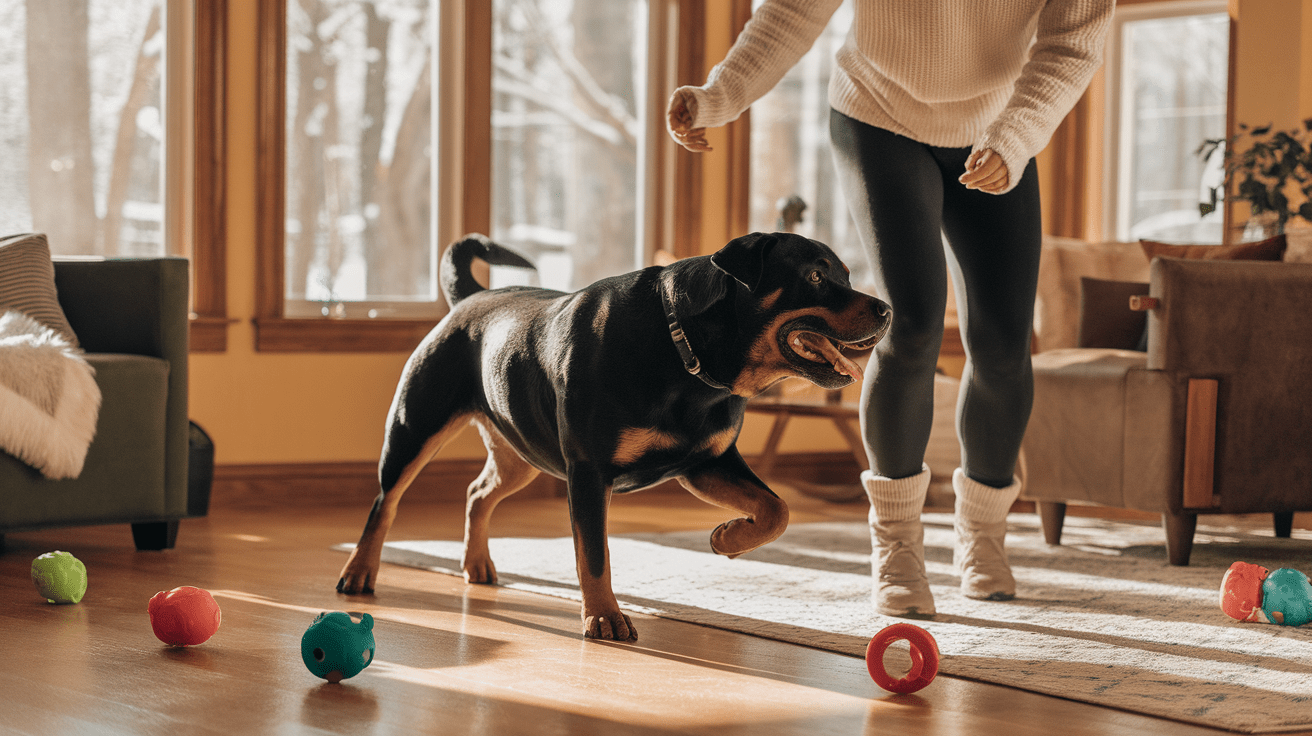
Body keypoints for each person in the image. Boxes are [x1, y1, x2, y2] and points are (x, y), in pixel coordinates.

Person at [667, 0, 1114, 617]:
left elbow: (1072, 43)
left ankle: (982, 537)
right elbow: (795, 10)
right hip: (878, 115)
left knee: (1005, 338)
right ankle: (897, 547)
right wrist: (719, 95)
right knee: (910, 322)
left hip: (1001, 122)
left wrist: (1014, 138)